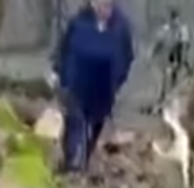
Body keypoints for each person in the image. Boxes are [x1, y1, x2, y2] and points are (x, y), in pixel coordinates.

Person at [52, 0, 134, 173]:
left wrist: (119, 78)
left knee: (95, 124)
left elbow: (127, 55)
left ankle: (83, 159)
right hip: (77, 84)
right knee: (76, 122)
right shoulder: (79, 22)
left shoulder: (120, 27)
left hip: (103, 88)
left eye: (108, 4)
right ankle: (73, 164)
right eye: (100, 4)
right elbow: (63, 49)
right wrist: (59, 72)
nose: (104, 7)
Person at [151, 7, 192, 105]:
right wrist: (154, 52)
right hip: (169, 55)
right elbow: (159, 41)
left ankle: (173, 95)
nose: (175, 21)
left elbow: (185, 44)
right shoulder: (167, 29)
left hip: (178, 54)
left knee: (176, 75)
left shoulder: (182, 29)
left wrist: (184, 57)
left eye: (176, 18)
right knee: (166, 75)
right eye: (173, 18)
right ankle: (164, 96)